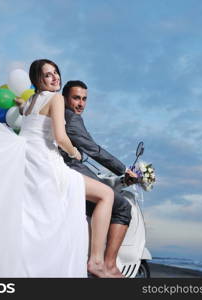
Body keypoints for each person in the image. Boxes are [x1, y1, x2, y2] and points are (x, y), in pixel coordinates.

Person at [18, 60, 114, 277]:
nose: (55, 78)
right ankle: (97, 261)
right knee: (106, 195)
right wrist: (75, 153)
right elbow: (61, 138)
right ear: (37, 80)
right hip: (48, 166)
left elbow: (26, 117)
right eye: (48, 75)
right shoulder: (57, 98)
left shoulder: (30, 102)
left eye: (56, 73)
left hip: (30, 166)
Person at [60, 80, 138, 277]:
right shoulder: (71, 118)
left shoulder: (59, 115)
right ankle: (108, 265)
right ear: (65, 98)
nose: (81, 104)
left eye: (84, 99)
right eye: (76, 98)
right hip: (72, 170)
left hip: (71, 169)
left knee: (104, 197)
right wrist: (124, 169)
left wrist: (120, 178)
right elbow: (94, 149)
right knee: (122, 207)